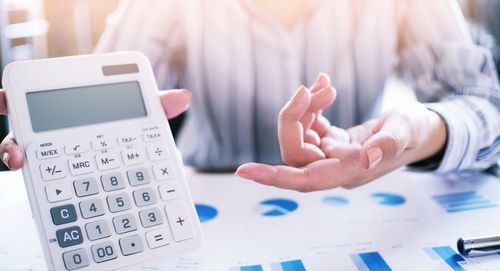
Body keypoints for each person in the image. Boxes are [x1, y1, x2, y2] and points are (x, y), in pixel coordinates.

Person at [1, 0, 499, 192]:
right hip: (201, 201)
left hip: (358, 201)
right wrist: (59, 133)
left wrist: (419, 131)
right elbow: (97, 96)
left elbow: (486, 106)